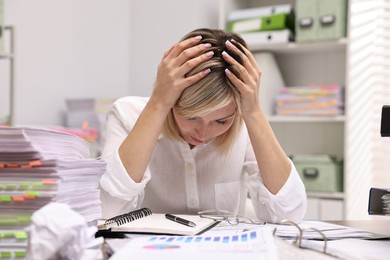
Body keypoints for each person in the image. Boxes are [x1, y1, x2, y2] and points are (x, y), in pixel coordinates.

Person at [99, 28, 307, 223]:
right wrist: (159, 102)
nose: (203, 133)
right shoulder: (127, 114)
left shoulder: (243, 121)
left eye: (221, 121)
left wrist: (253, 112)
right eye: (191, 117)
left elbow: (289, 215)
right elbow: (108, 210)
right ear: (173, 103)